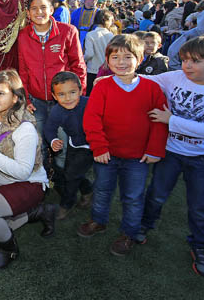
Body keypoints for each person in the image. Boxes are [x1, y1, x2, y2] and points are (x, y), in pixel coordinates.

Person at [139, 35, 204, 278]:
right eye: (184, 60)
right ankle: (142, 226)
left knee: (201, 206)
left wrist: (171, 120)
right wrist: (108, 79)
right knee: (156, 195)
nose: (187, 65)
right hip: (170, 153)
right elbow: (143, 80)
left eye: (196, 61)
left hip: (203, 158)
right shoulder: (174, 77)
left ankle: (201, 246)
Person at [78, 34, 168, 257]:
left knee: (133, 196)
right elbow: (92, 119)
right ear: (107, 60)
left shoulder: (152, 89)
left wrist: (155, 150)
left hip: (138, 157)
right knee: (101, 190)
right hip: (106, 155)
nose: (121, 62)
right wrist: (99, 147)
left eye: (127, 57)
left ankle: (129, 232)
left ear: (140, 59)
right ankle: (98, 221)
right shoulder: (102, 87)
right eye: (115, 56)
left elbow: (159, 122)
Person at [0, 70, 56, 271]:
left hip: (29, 183)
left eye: (1, 93)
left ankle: (9, 249)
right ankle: (40, 212)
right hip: (2, 181)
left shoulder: (24, 128)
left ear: (16, 98)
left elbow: (22, 172)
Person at [17, 0, 86, 158]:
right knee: (38, 139)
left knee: (62, 140)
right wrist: (25, 98)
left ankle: (62, 176)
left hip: (64, 99)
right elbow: (23, 70)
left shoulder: (68, 32)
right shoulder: (23, 36)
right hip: (37, 99)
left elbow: (78, 65)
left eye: (43, 7)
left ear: (52, 10)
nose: (39, 12)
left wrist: (79, 94)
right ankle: (43, 177)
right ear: (28, 13)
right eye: (34, 8)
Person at [44, 72, 93, 220]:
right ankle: (88, 191)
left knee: (71, 175)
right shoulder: (56, 111)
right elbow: (49, 128)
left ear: (80, 90)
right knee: (72, 172)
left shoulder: (90, 103)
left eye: (72, 92)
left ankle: (66, 204)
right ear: (54, 96)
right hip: (74, 144)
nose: (68, 98)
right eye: (62, 94)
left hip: (91, 146)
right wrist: (53, 140)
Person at [84, 9, 115, 95]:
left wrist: (82, 59)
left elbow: (89, 54)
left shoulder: (90, 34)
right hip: (107, 70)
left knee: (90, 95)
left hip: (92, 70)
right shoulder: (111, 35)